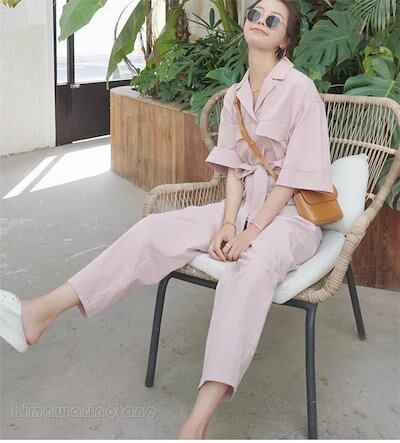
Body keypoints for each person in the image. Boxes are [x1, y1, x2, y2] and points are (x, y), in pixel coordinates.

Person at [0, 0, 334, 439]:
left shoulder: (300, 90)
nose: (258, 21)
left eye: (272, 19)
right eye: (254, 13)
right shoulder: (235, 97)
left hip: (290, 219)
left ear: (286, 39)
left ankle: (195, 426)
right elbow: (235, 172)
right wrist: (228, 224)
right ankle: (40, 312)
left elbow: (292, 178)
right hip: (243, 208)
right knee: (156, 228)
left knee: (248, 269)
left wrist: (250, 234)